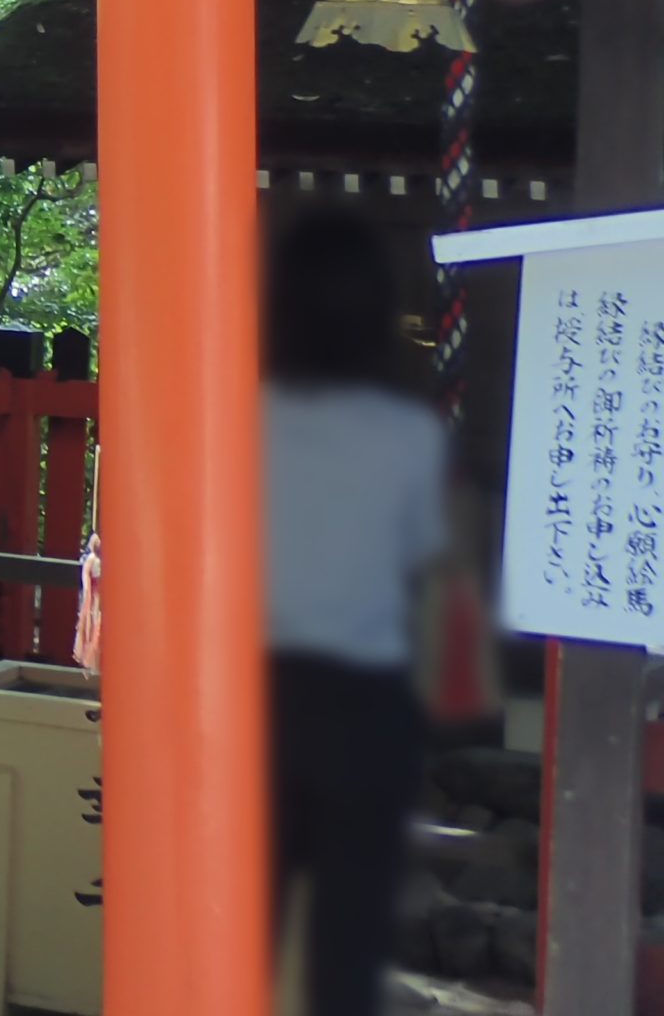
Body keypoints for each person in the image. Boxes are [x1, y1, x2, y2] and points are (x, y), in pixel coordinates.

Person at [263, 206, 450, 1016]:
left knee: (235, 922)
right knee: (349, 946)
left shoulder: (236, 421)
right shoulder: (410, 434)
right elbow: (422, 565)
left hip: (257, 697)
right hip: (368, 704)